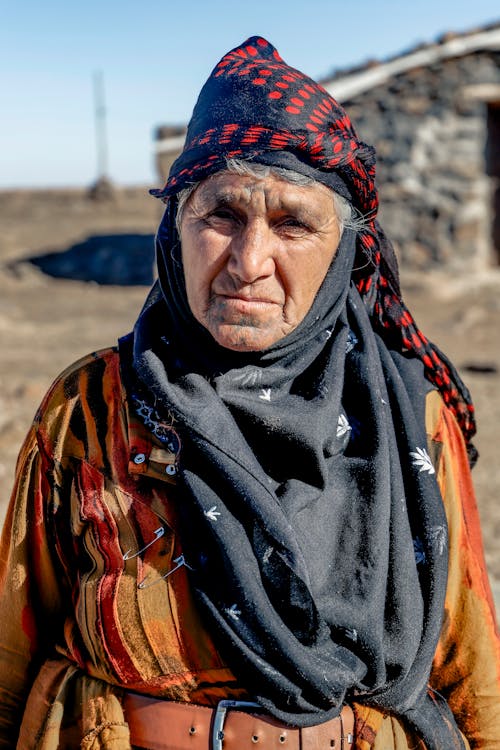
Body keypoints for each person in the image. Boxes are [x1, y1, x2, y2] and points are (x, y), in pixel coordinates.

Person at [0, 35, 499, 750]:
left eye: (293, 223)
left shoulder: (409, 422)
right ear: (176, 227)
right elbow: (10, 653)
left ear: (344, 252)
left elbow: (471, 668)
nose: (248, 261)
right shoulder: (92, 406)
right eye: (222, 215)